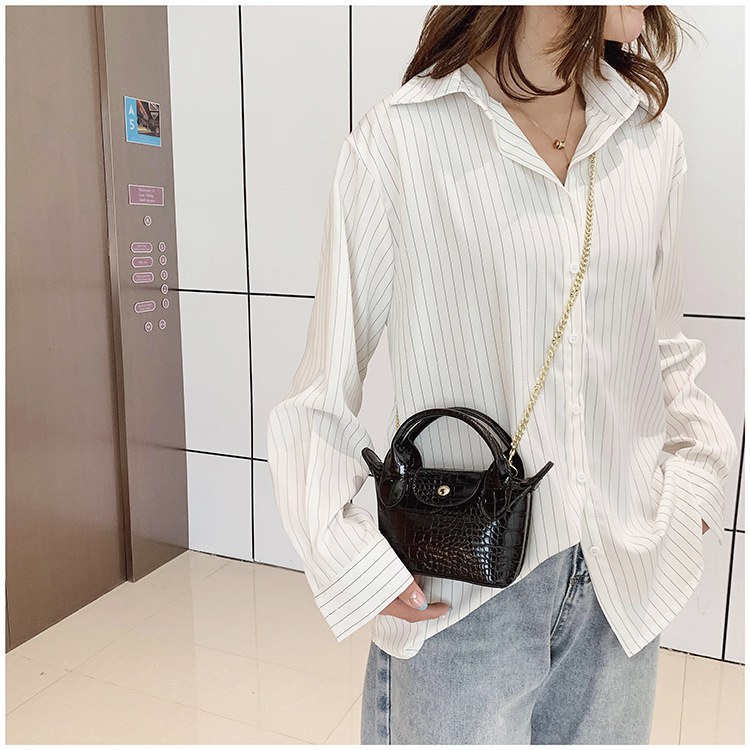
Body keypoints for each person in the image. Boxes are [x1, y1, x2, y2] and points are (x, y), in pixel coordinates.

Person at [265, 4, 738, 745]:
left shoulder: (650, 140)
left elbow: (662, 350)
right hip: (462, 597)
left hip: (621, 586)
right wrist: (348, 555)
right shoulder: (403, 141)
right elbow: (322, 385)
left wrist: (698, 482)